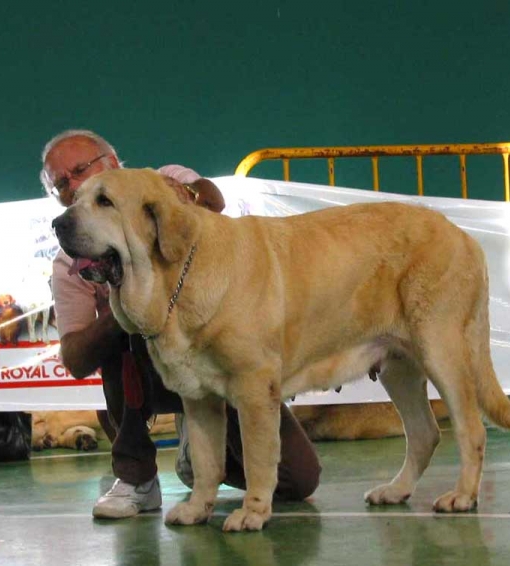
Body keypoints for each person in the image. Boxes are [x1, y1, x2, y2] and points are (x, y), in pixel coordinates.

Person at [40, 129, 321, 519]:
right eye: (61, 184)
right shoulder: (69, 266)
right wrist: (129, 308)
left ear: (113, 161)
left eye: (80, 170)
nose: (72, 185)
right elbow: (74, 359)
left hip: (224, 356)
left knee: (299, 479)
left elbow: (213, 200)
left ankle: (200, 460)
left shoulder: (162, 183)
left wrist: (178, 202)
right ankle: (136, 477)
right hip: (151, 376)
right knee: (123, 335)